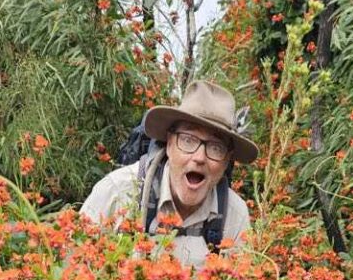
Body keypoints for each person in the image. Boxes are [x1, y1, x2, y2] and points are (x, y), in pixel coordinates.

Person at [80, 80, 259, 268]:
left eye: (216, 147)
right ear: (169, 144)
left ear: (226, 162)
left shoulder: (235, 216)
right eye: (188, 140)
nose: (199, 157)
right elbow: (72, 273)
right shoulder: (116, 191)